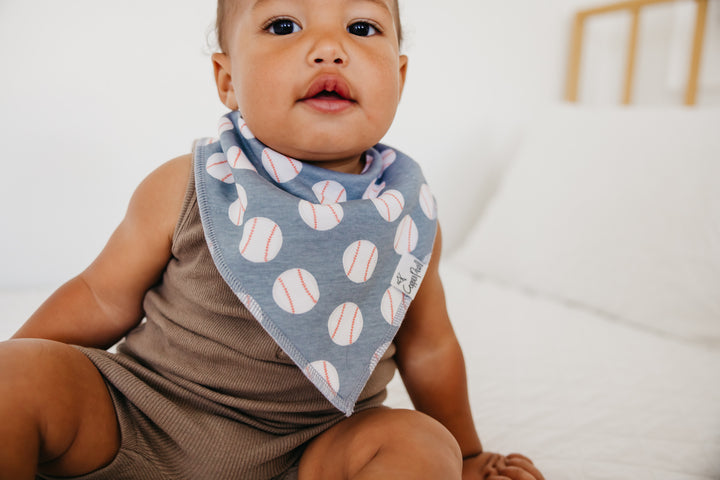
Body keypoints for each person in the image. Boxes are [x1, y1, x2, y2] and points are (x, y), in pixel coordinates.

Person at [0, 1, 545, 479]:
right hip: (143, 420)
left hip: (310, 450)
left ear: (400, 76)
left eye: (361, 27)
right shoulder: (192, 185)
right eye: (284, 25)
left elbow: (429, 347)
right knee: (17, 377)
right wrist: (16, 363)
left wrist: (466, 452)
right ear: (227, 78)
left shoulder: (406, 218)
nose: (329, 49)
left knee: (423, 446)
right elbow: (99, 298)